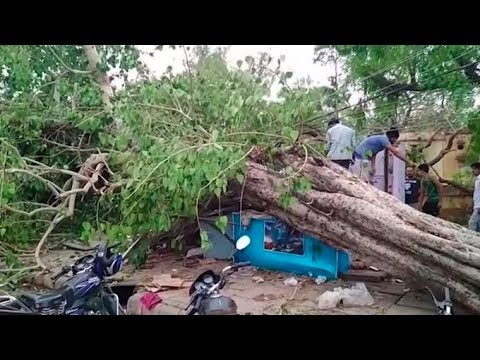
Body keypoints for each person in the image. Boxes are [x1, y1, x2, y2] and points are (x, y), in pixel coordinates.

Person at [468, 162, 480, 232]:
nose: (473, 171)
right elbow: (476, 193)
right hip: (476, 205)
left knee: (472, 223)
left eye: (474, 169)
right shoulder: (477, 180)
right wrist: (471, 203)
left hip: (479, 206)